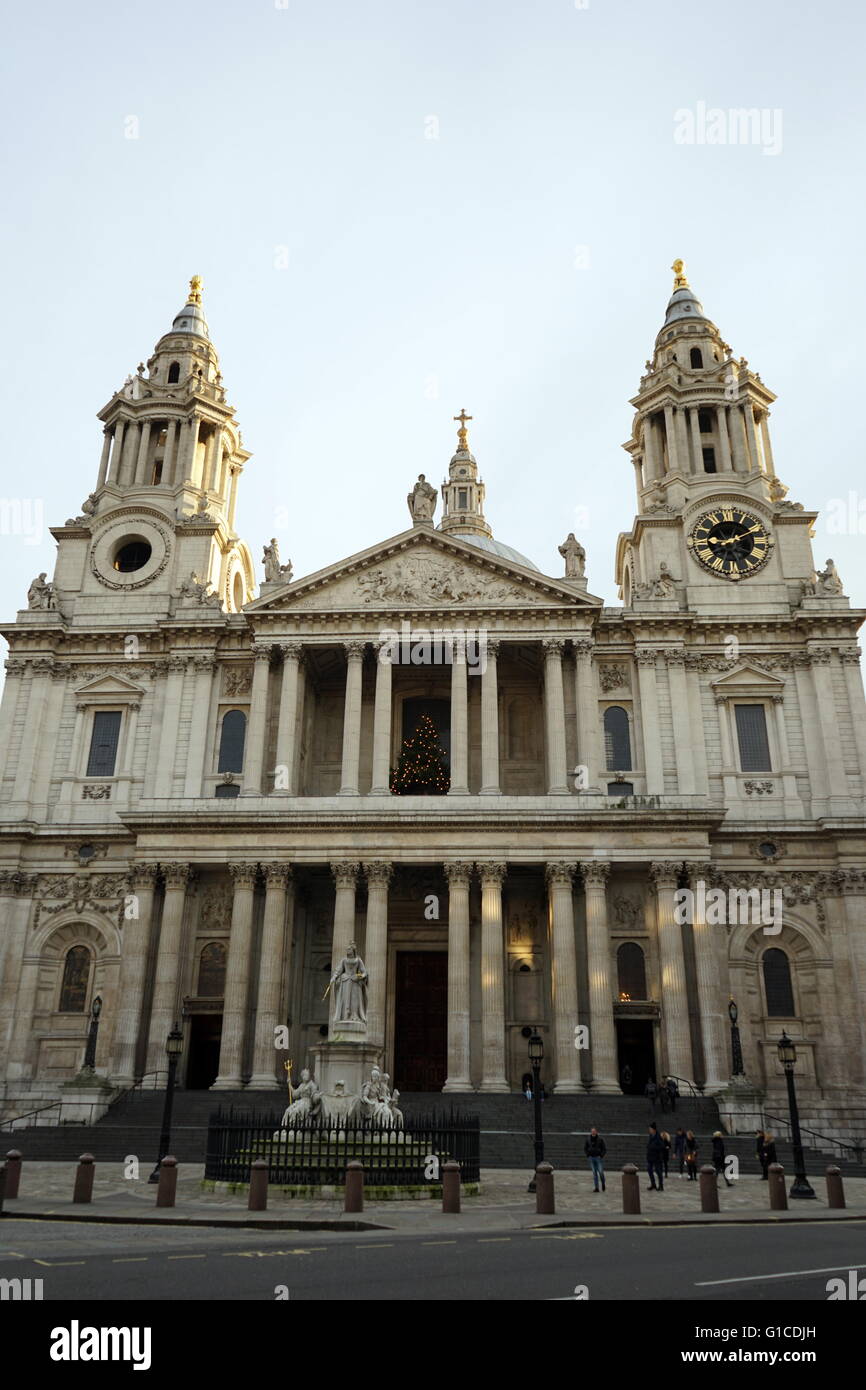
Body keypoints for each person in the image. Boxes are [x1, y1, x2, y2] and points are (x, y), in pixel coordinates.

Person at [584, 1127, 607, 1193]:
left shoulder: (600, 1139)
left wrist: (601, 1155)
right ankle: (596, 1188)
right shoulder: (588, 1139)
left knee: (601, 1172)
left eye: (594, 1131)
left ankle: (603, 1183)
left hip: (598, 1158)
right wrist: (588, 1155)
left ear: (596, 1132)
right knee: (594, 1174)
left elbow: (604, 1149)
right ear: (591, 1132)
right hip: (591, 1158)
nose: (593, 1132)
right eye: (592, 1131)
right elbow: (585, 1148)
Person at [646, 1123, 665, 1191]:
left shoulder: (658, 1137)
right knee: (649, 1170)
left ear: (653, 1129)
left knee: (658, 1171)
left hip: (657, 1157)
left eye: (650, 1129)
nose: (649, 1130)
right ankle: (653, 1184)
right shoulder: (651, 1136)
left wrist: (653, 1147)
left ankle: (661, 1186)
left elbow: (662, 1146)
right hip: (650, 1157)